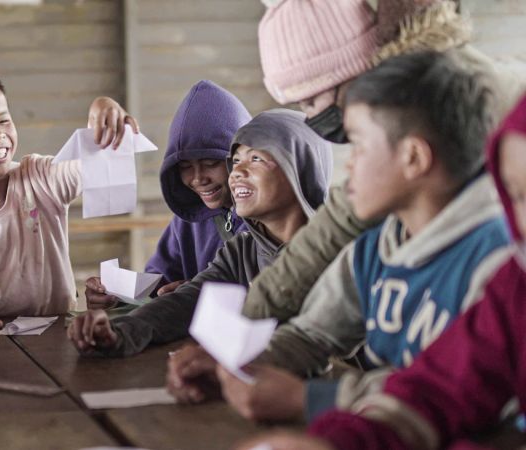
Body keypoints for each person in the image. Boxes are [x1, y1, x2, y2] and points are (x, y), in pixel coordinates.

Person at [216, 50, 511, 425]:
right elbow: (312, 336)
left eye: (359, 145)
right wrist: (241, 364)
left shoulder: (497, 265)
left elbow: (458, 395)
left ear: (413, 158)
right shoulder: (375, 248)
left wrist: (312, 398)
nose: (350, 164)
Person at [67, 109, 332, 359]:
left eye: (256, 159)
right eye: (236, 160)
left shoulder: (338, 253)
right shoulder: (242, 251)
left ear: (298, 168)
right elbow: (184, 303)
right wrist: (119, 332)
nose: (237, 172)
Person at [0, 69, 139, 351]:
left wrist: (104, 111)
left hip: (62, 335)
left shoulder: (41, 178)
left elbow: (98, 167)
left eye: (4, 120)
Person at [85, 80, 251, 308]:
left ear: (240, 159)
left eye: (211, 162)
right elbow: (159, 282)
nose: (197, 178)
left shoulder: (270, 219)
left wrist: (197, 293)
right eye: (184, 167)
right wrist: (117, 296)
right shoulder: (187, 220)